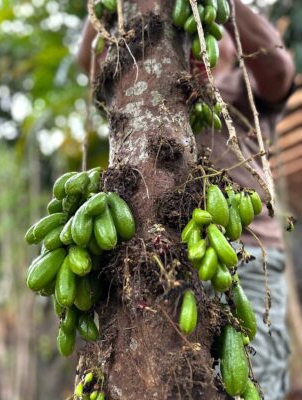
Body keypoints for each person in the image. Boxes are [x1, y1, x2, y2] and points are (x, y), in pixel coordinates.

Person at [77, 1, 295, 400]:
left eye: (199, 35)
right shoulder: (146, 87)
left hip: (241, 256)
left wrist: (224, 6)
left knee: (253, 375)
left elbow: (279, 70)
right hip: (164, 258)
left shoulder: (240, 92)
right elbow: (87, 63)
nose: (190, 45)